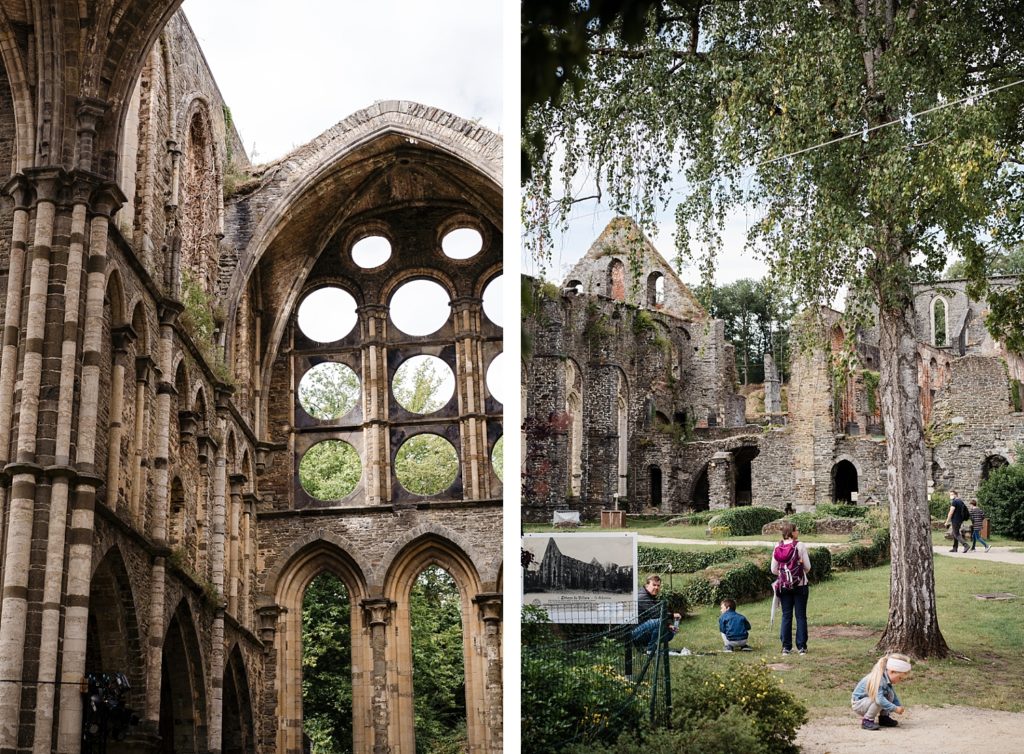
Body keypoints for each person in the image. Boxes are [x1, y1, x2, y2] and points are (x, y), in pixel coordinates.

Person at [771, 521, 811, 655]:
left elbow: (773, 569)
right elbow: (808, 567)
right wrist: (796, 573)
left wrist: (784, 576)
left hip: (784, 586)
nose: (798, 532)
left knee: (786, 615)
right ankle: (801, 647)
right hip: (800, 584)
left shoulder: (778, 546)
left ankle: (786, 647)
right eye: (797, 530)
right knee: (800, 616)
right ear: (792, 532)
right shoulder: (799, 546)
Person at [851, 653, 912, 730]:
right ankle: (867, 720)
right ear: (892, 672)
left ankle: (884, 718)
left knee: (890, 694)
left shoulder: (886, 678)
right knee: (880, 700)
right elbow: (879, 700)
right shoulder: (879, 679)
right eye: (899, 678)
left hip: (868, 701)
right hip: (859, 704)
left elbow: (893, 695)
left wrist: (898, 705)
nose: (899, 681)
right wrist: (895, 708)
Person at [631, 574, 681, 653]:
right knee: (660, 621)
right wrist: (672, 615)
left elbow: (654, 615)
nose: (656, 587)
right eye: (654, 585)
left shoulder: (649, 595)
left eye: (658, 585)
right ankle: (650, 650)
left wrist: (668, 626)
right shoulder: (642, 597)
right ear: (647, 584)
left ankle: (649, 647)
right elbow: (656, 614)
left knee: (670, 633)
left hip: (644, 627)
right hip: (635, 632)